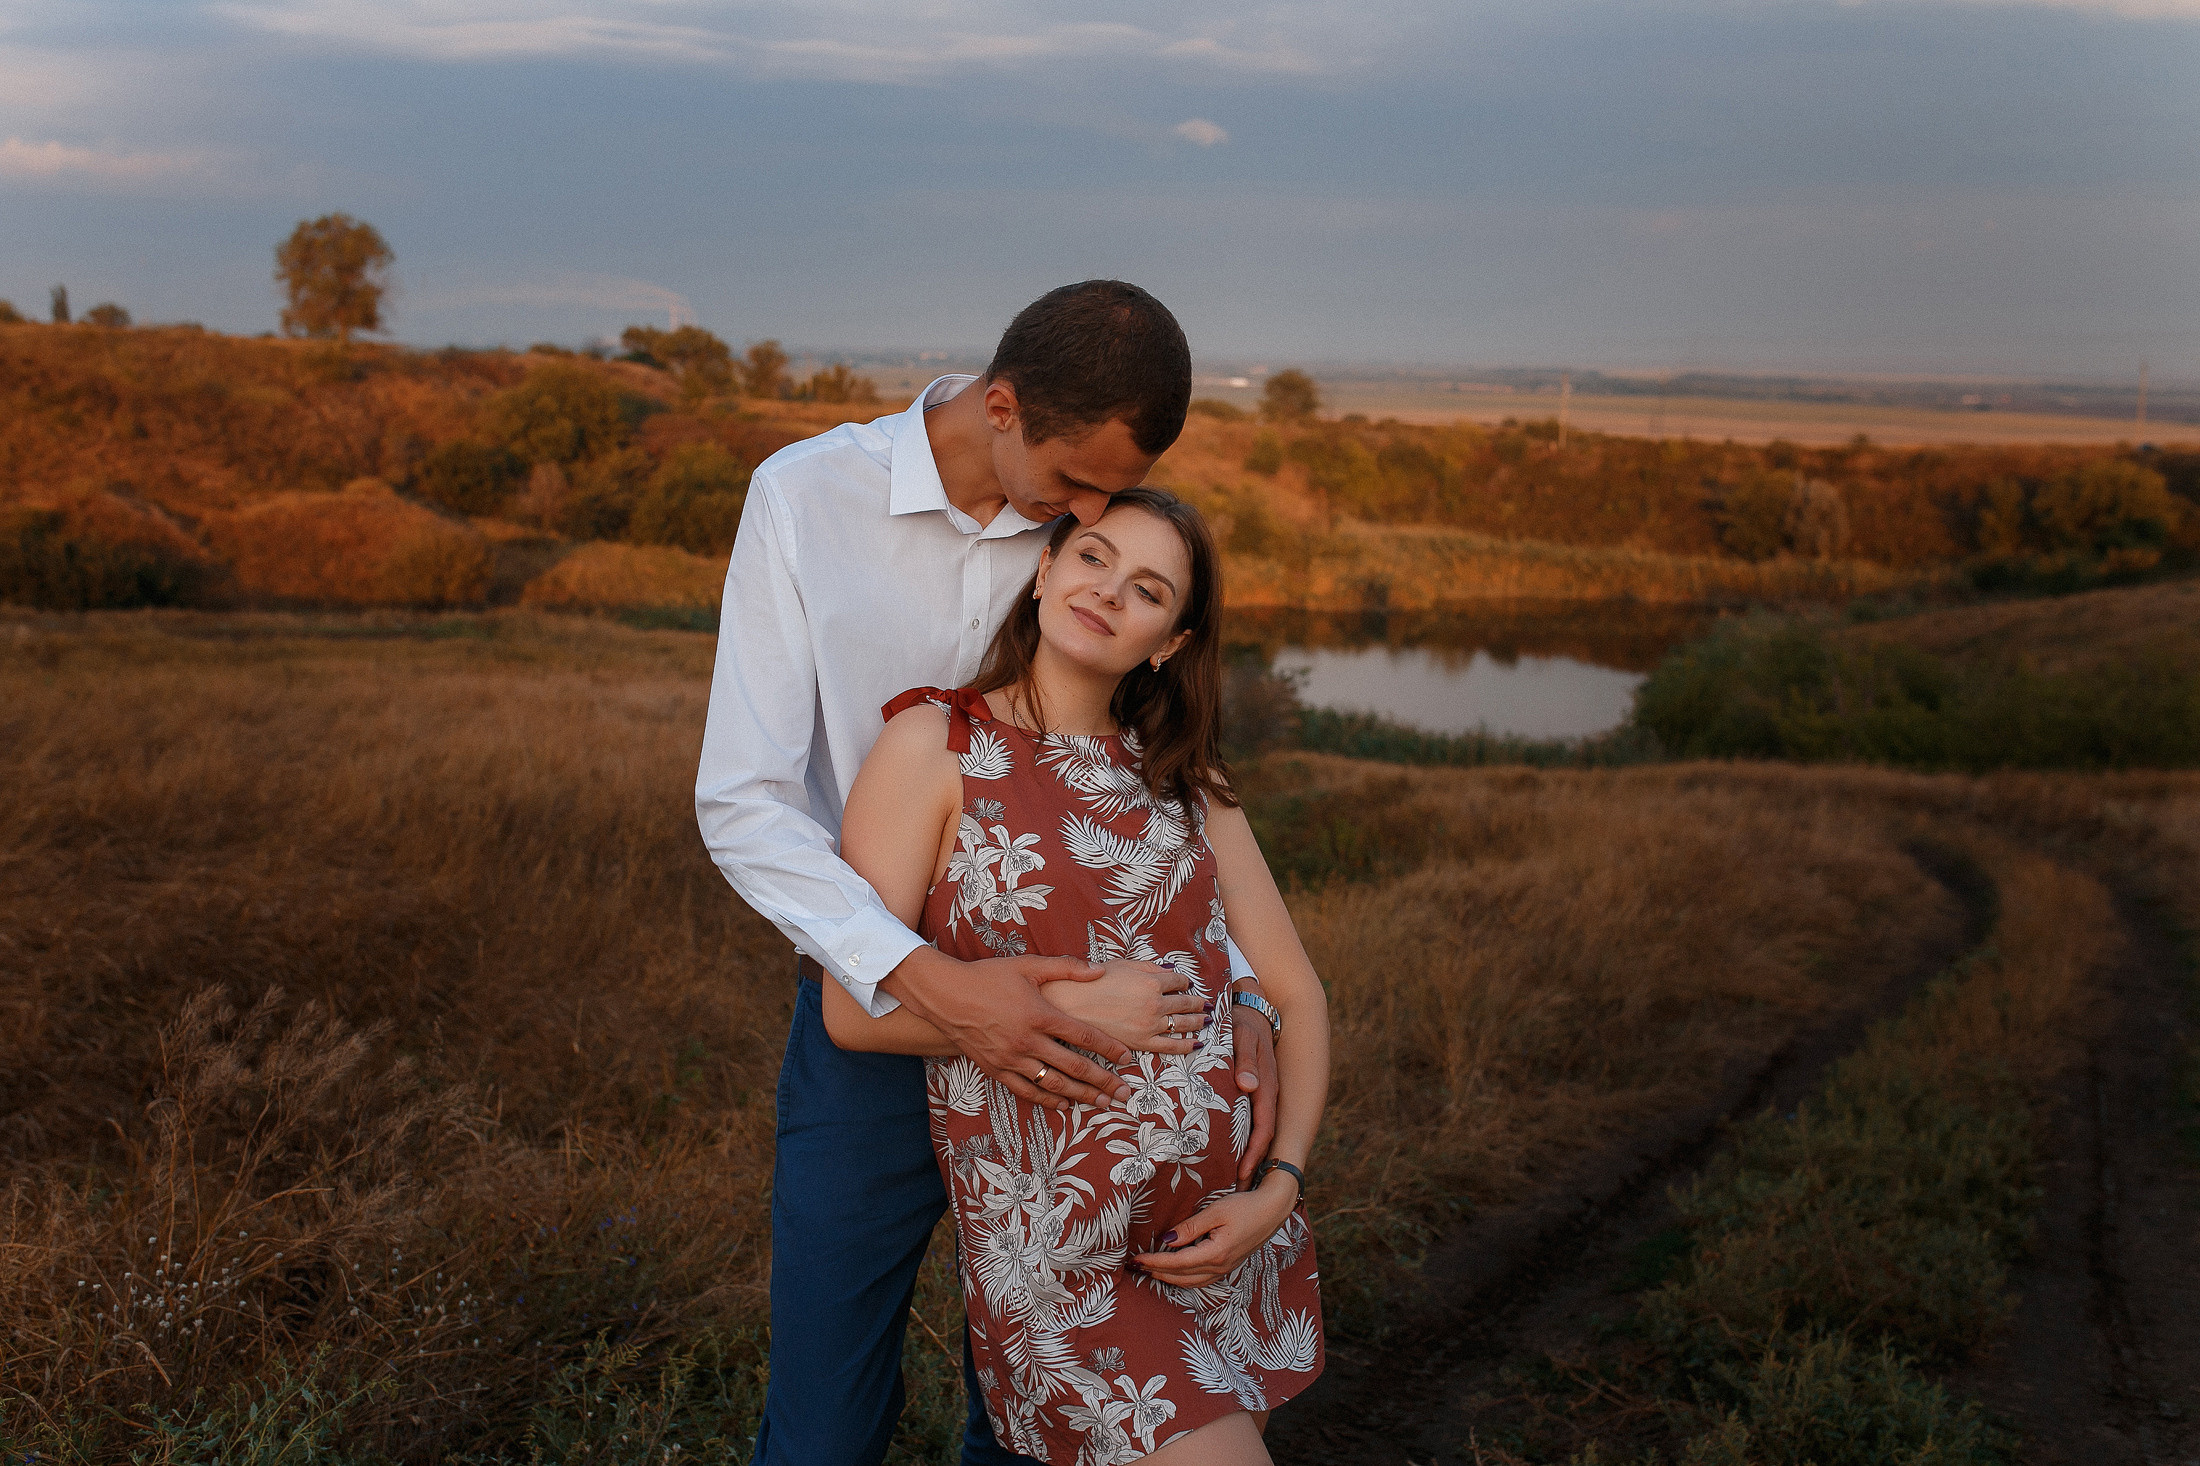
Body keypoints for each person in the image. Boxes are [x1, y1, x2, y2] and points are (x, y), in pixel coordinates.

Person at [695, 281, 1286, 1465]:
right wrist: (930, 981)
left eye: (1111, 495)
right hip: (878, 1023)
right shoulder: (805, 498)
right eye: (1073, 485)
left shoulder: (1089, 549)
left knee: (1034, 1413)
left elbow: (1141, 786)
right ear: (1001, 405)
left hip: (1084, 1050)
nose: (1086, 515)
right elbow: (745, 799)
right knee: (821, 1421)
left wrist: (1241, 994)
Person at [825, 488, 1330, 1465]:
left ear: (1168, 642)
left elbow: (1297, 994)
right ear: (1046, 570)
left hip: (1219, 1230)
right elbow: (853, 1007)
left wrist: (1279, 1186)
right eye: (1092, 558)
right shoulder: (935, 747)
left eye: (1146, 589)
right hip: (1066, 1256)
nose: (1106, 590)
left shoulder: (1184, 776)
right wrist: (1065, 1004)